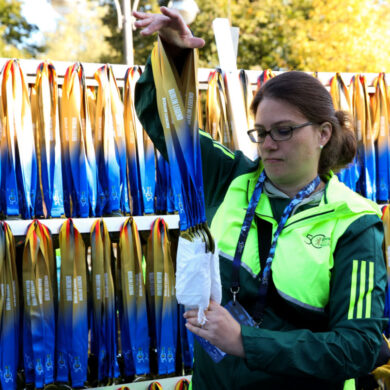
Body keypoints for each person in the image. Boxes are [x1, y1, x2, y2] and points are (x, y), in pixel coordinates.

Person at [133, 7, 388, 389]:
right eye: (261, 132)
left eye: (284, 131)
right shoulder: (231, 176)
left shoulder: (354, 220)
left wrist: (243, 341)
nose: (268, 145)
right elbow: (165, 121)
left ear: (322, 133)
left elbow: (359, 346)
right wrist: (173, 54)